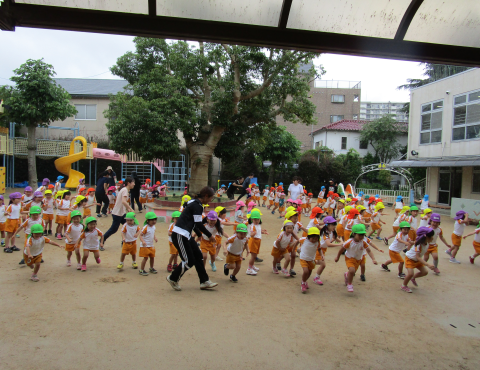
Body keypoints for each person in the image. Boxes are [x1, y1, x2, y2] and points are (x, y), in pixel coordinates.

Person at [165, 186, 218, 291]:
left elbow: (192, 221)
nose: (211, 200)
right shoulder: (197, 205)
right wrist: (209, 235)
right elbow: (198, 223)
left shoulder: (195, 203)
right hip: (180, 234)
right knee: (188, 260)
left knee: (198, 256)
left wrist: (198, 234)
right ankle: (173, 278)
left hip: (186, 235)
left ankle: (204, 281)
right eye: (211, 198)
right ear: (206, 196)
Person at [335, 224, 378, 293]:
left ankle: (347, 274)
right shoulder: (349, 242)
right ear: (354, 234)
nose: (361, 237)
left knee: (352, 272)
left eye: (363, 235)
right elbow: (341, 249)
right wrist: (337, 257)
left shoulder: (363, 242)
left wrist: (373, 259)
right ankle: (349, 284)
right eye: (359, 235)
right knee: (352, 271)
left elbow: (369, 251)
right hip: (349, 258)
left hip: (358, 259)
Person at [103, 177, 135, 248]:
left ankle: (124, 242)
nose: (134, 184)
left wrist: (127, 209)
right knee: (113, 229)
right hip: (117, 214)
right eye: (133, 182)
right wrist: (131, 209)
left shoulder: (125, 190)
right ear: (128, 183)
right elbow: (123, 201)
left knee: (128, 226)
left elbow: (123, 202)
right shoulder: (125, 190)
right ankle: (101, 241)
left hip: (122, 213)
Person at [401, 226, 435, 293]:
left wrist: (412, 242)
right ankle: (404, 285)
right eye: (431, 236)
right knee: (410, 273)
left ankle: (413, 278)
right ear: (426, 237)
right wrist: (427, 264)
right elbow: (418, 257)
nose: (433, 238)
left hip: (417, 260)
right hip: (410, 259)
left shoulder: (427, 243)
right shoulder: (419, 245)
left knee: (425, 272)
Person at [299, 227, 321, 293]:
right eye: (313, 238)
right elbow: (298, 241)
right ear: (309, 237)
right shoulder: (304, 240)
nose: (314, 240)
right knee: (306, 271)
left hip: (311, 259)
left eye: (316, 238)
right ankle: (303, 283)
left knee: (310, 271)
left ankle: (305, 281)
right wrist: (295, 248)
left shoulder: (317, 242)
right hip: (303, 258)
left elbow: (319, 249)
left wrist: (321, 255)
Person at [246, 210, 268, 275]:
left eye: (258, 219)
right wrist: (253, 233)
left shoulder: (258, 225)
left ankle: (252, 266)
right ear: (252, 219)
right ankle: (249, 269)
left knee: (255, 255)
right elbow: (251, 234)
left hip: (257, 241)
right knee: (253, 256)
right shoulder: (252, 226)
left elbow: (258, 231)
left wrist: (263, 232)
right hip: (253, 241)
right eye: (255, 220)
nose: (257, 221)